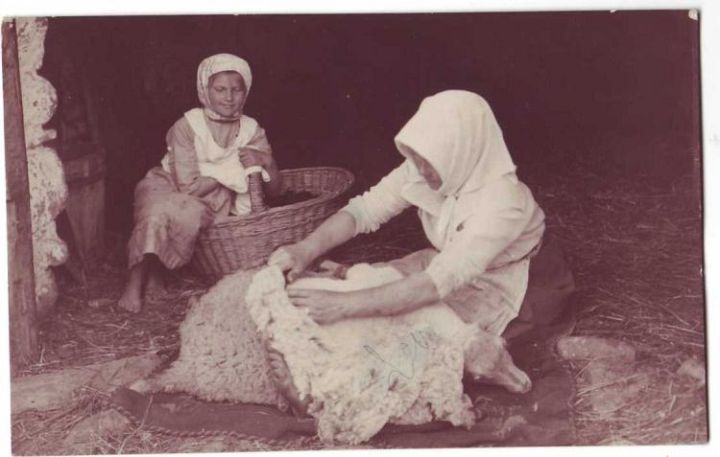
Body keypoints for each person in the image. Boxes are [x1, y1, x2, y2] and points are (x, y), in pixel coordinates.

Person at [269, 90, 546, 336]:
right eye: (419, 160)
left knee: (420, 337)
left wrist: (342, 306)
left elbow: (436, 282)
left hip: (506, 281)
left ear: (464, 151)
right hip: (443, 265)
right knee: (377, 293)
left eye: (432, 162)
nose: (421, 171)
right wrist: (305, 249)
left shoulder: (503, 202)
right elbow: (364, 211)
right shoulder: (424, 166)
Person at [119, 53, 282, 313]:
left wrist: (266, 161)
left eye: (236, 90)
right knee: (157, 211)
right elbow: (187, 186)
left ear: (246, 92)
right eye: (220, 89)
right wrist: (229, 171)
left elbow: (274, 189)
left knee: (188, 213)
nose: (228, 97)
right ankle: (135, 280)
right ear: (205, 90)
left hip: (211, 198)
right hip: (168, 183)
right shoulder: (187, 125)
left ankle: (156, 273)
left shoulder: (251, 130)